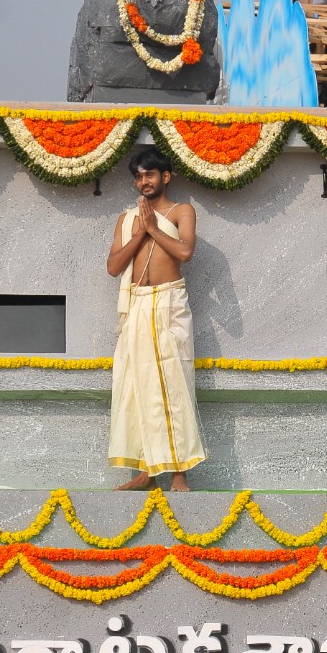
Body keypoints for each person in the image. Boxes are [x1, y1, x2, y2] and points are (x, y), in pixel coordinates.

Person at [106, 147, 206, 490]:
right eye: (138, 176)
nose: (143, 181)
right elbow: (114, 267)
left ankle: (179, 473)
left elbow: (185, 252)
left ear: (166, 176)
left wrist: (152, 227)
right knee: (136, 386)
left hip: (168, 303)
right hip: (137, 304)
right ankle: (147, 472)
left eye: (149, 174)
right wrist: (140, 231)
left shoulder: (182, 211)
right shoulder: (125, 219)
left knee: (174, 384)